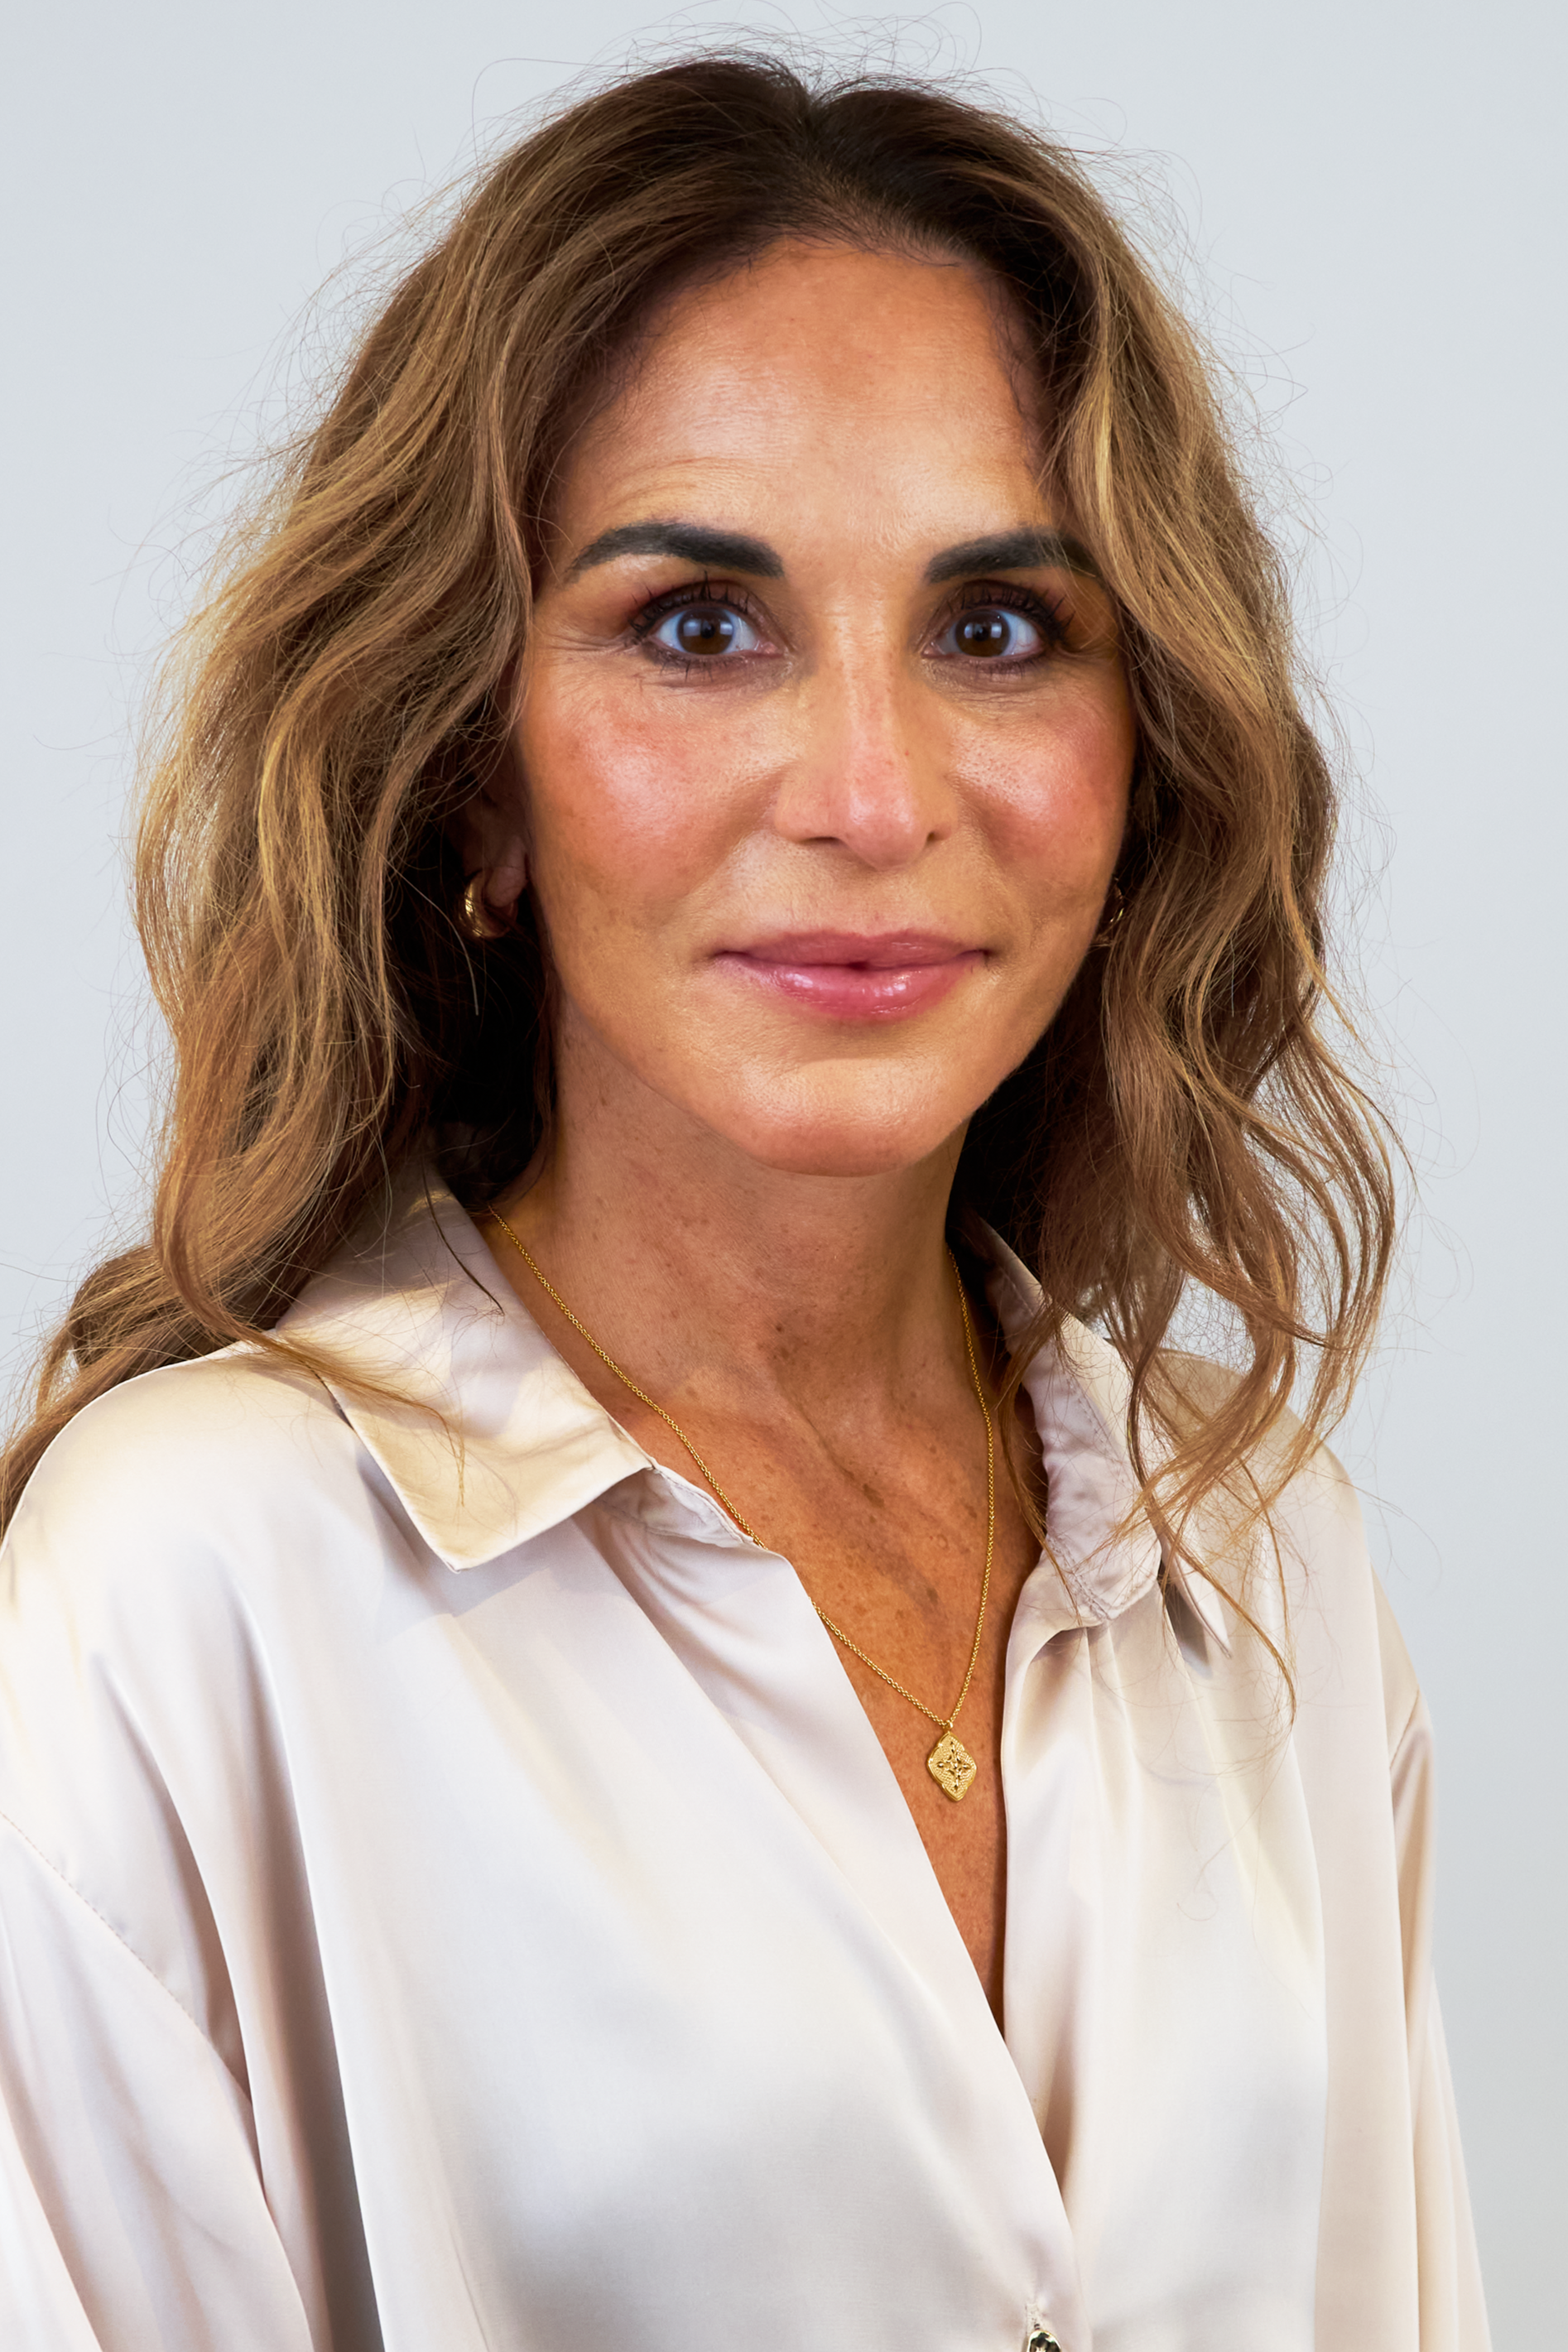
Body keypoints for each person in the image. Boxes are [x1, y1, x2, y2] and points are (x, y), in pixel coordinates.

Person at [0, 51, 1488, 2352]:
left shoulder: (1251, 1541)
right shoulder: (184, 1582)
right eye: (699, 625)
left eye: (997, 628)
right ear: (469, 775)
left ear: (1141, 750)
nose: (873, 794)